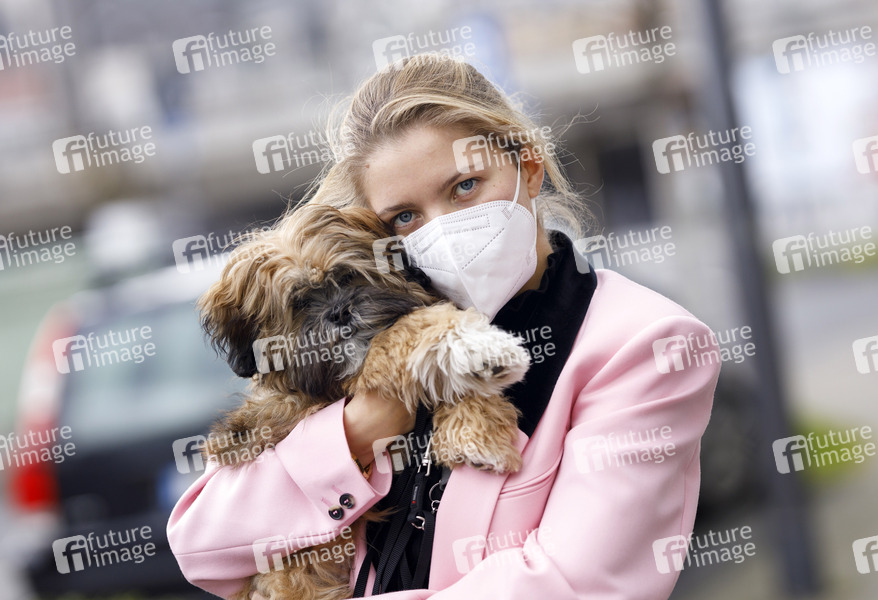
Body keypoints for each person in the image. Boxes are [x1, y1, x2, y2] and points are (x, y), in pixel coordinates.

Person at [167, 53, 720, 599]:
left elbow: (575, 583)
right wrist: (354, 433)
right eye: (405, 216)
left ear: (529, 167)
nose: (445, 228)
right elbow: (201, 547)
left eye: (465, 186)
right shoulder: (372, 340)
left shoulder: (645, 344)